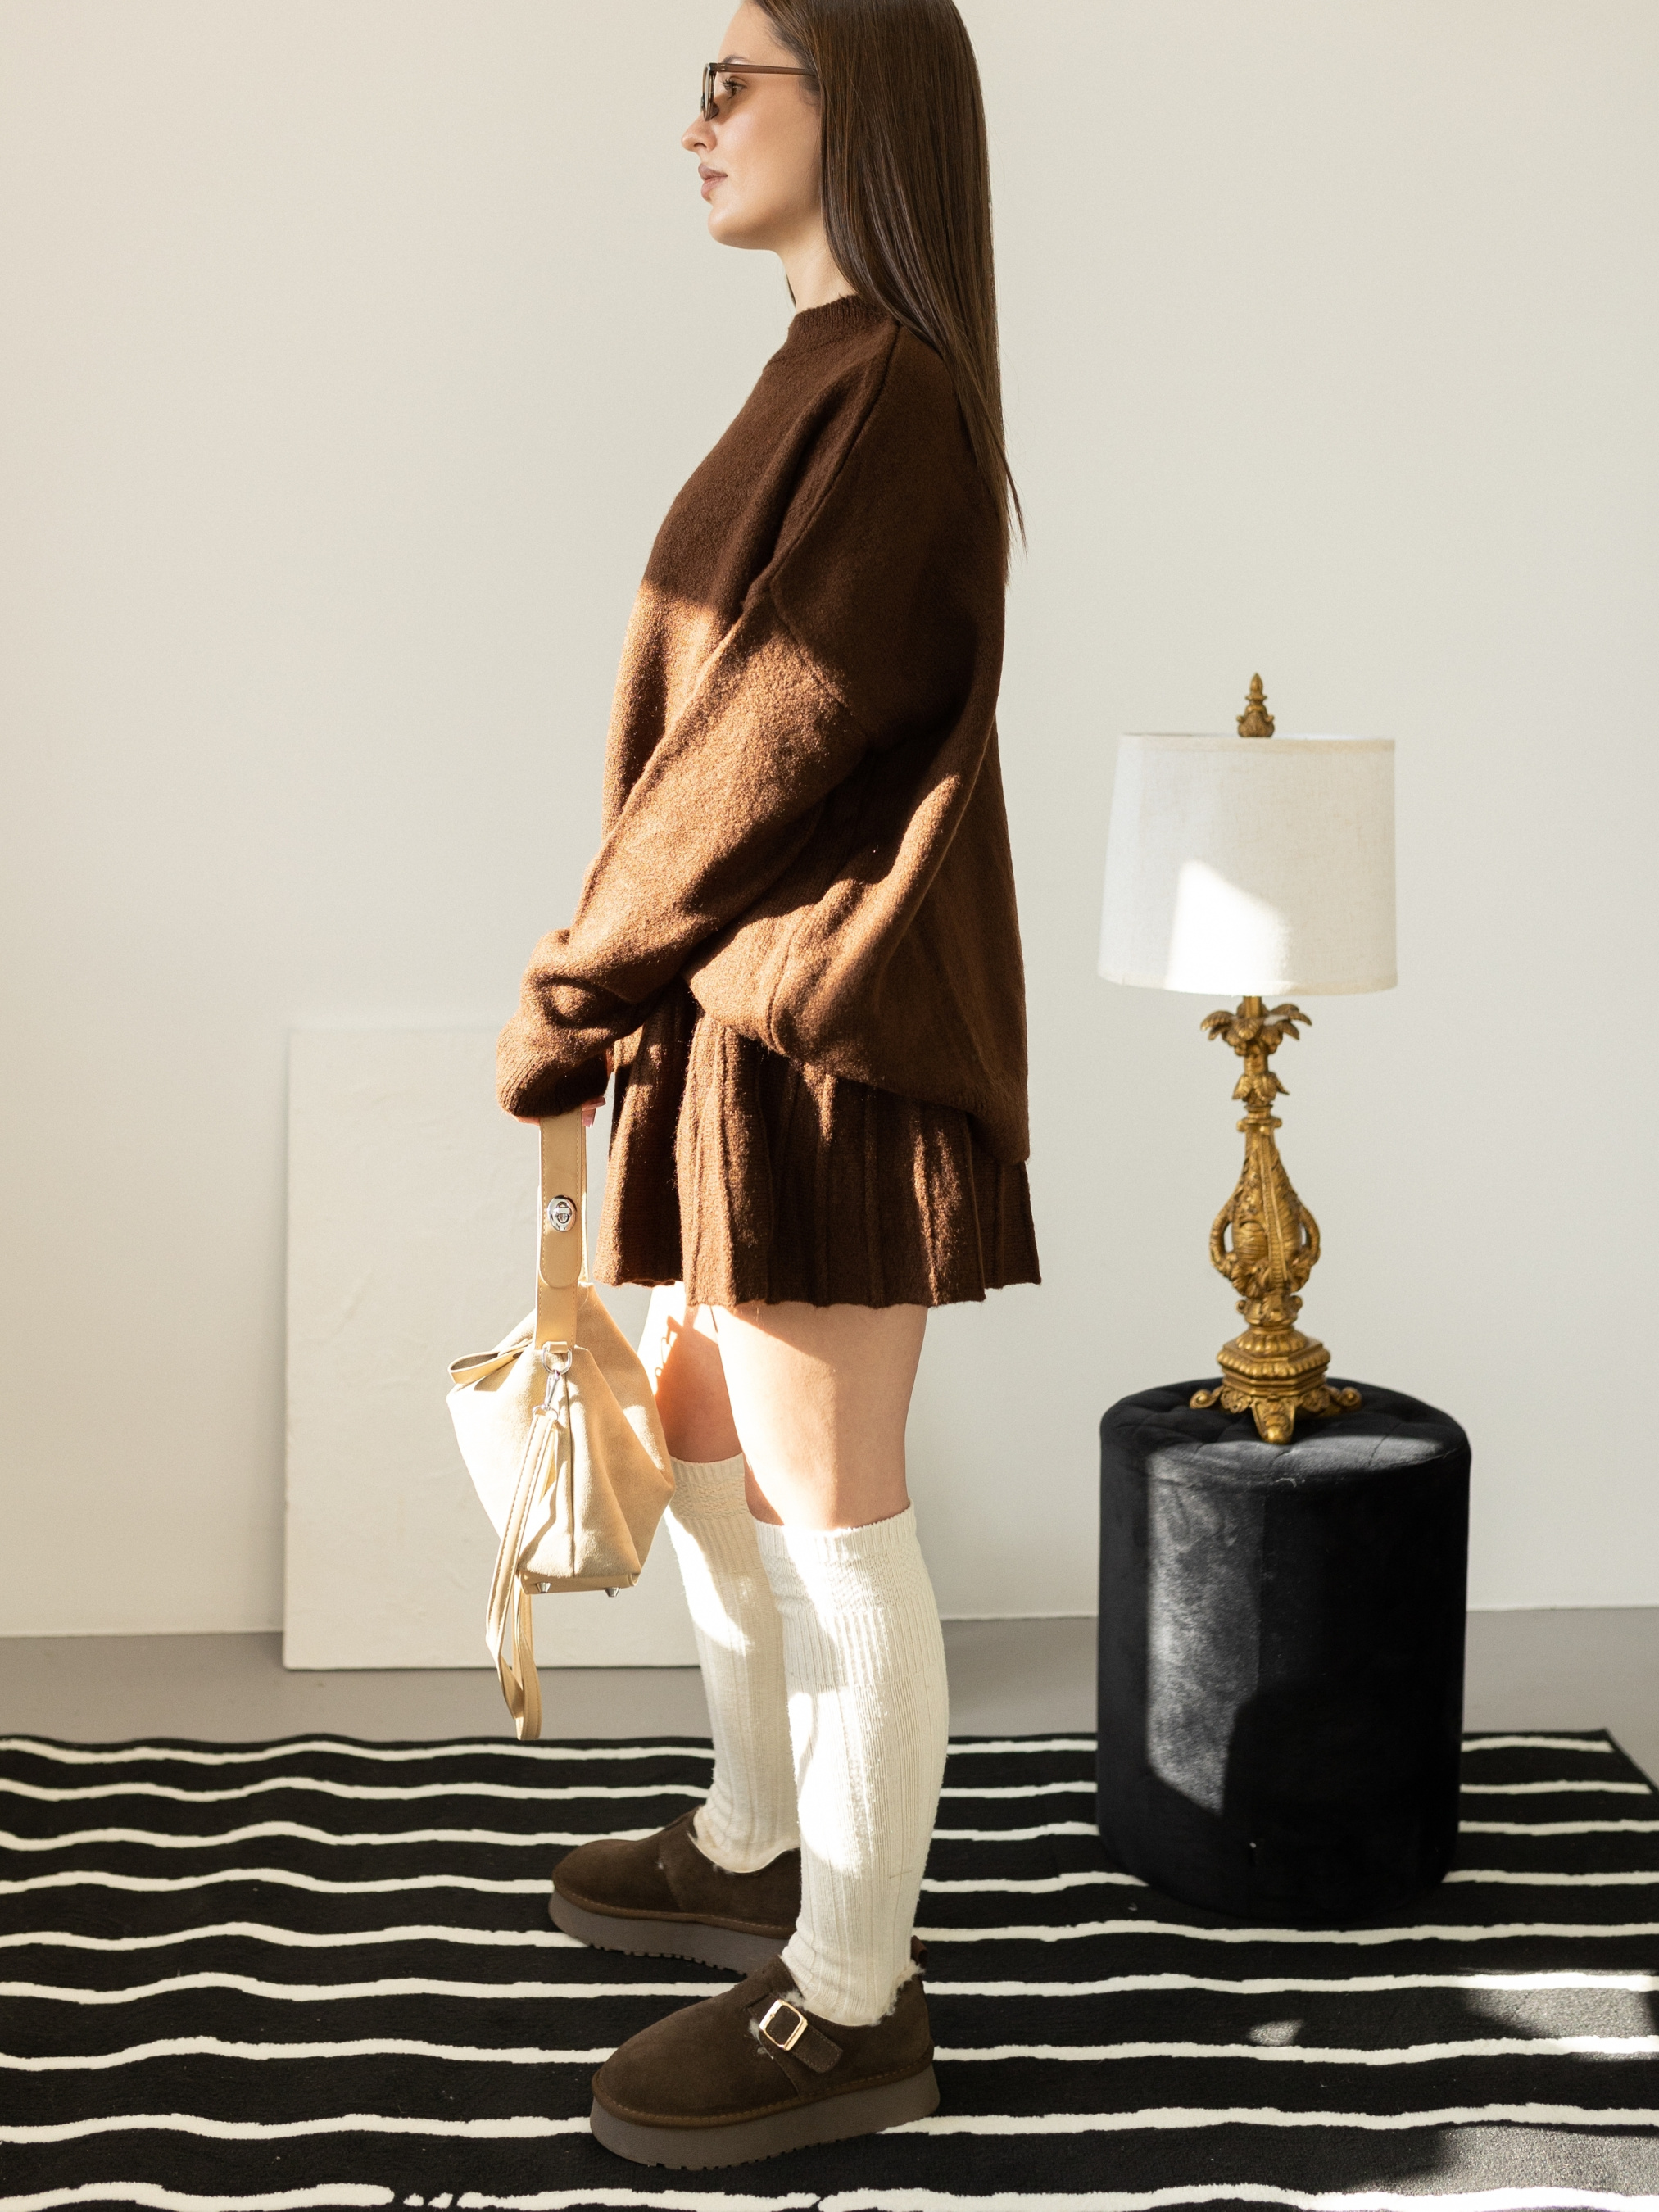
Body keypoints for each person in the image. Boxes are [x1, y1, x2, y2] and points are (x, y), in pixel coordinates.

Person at [496, 0, 1036, 2167]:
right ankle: (753, 1837)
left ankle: (854, 1994)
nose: (696, 122)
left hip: (829, 1035)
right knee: (707, 1431)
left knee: (833, 1516)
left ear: (859, 101)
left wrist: (572, 981)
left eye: (737, 82)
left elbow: (763, 745)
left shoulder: (893, 394)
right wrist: (623, 989)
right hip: (737, 1023)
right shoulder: (818, 368)